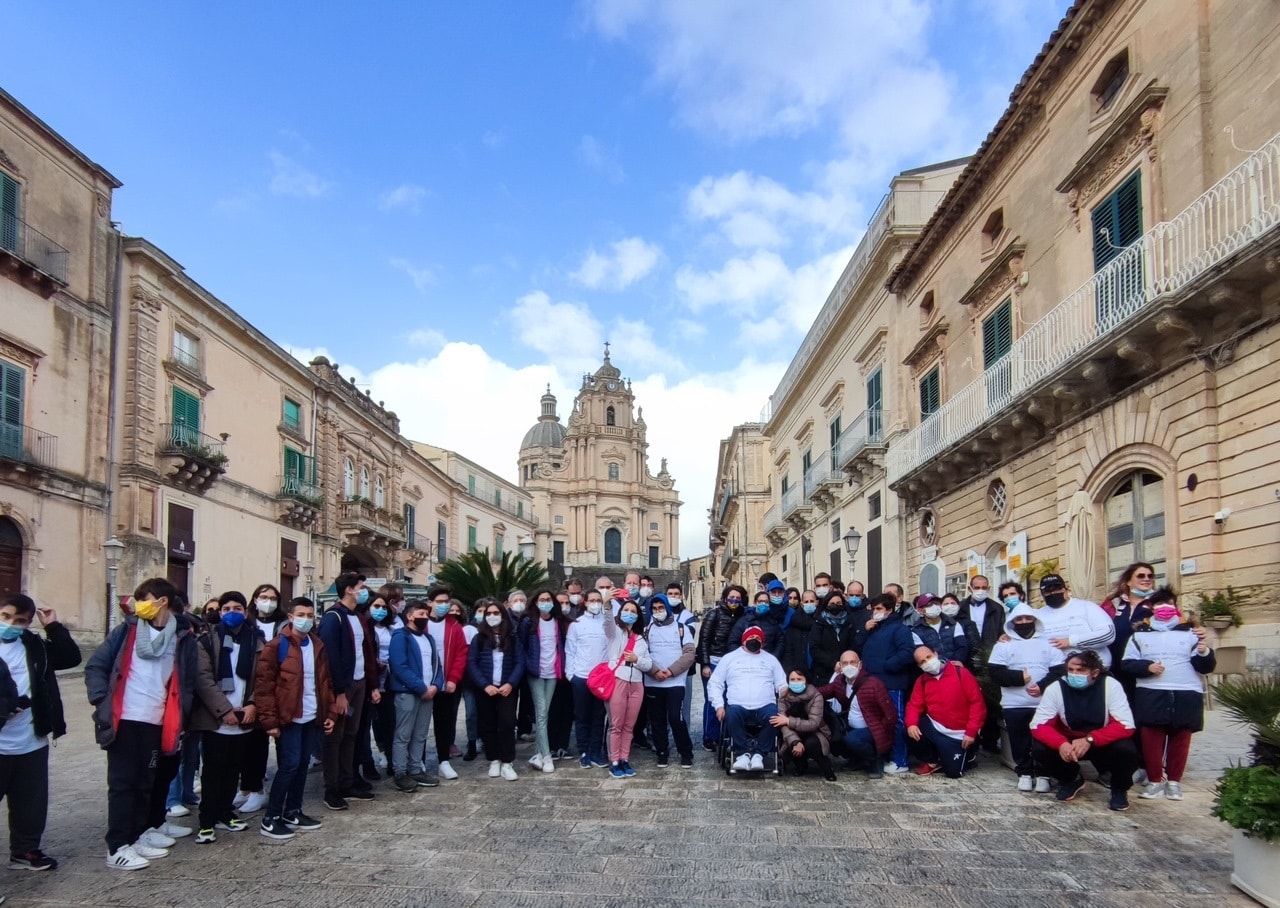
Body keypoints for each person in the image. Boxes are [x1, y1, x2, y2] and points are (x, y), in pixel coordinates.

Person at [85, 578, 200, 871]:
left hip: (158, 720)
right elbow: (96, 666)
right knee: (123, 784)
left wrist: (182, 715)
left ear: (162, 602)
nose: (139, 605)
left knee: (145, 782)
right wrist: (102, 700)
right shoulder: (127, 632)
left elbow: (184, 681)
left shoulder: (181, 637)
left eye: (144, 599)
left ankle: (137, 836)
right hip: (125, 718)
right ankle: (117, 846)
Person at [0, 593, 81, 871]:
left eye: (20, 620)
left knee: (30, 803)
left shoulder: (32, 644)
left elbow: (70, 658)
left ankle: (24, 851)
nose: (11, 624)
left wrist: (53, 627)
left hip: (29, 738)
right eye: (5, 617)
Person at [255, 597, 338, 840]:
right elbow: (264, 687)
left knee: (302, 766)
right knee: (289, 766)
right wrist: (269, 722)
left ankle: (293, 810)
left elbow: (325, 682)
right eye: (301, 614)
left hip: (311, 715)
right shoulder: (276, 646)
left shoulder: (317, 645)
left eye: (310, 615)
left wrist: (330, 712)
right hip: (288, 717)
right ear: (290, 617)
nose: (306, 619)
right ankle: (271, 818)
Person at [1121, 588, 1214, 802]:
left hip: (1186, 692)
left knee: (1181, 738)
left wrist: (1203, 650)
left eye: (1169, 604)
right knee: (1151, 738)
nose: (1164, 608)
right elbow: (1127, 663)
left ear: (1176, 607)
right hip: (1152, 692)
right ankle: (1154, 780)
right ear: (1151, 607)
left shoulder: (1191, 634)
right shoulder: (1139, 635)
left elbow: (1205, 667)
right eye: (1159, 604)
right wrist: (1147, 667)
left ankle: (1174, 782)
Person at [190, 591, 263, 843]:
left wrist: (253, 704)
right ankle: (207, 819)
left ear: (245, 611)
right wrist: (224, 711)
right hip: (216, 718)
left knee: (234, 769)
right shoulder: (206, 642)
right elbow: (203, 679)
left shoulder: (256, 640)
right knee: (213, 771)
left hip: (245, 716)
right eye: (227, 608)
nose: (233, 612)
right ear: (219, 612)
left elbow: (262, 677)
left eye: (238, 608)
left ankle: (225, 812)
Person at [1031, 650, 1138, 811]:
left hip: (1100, 740)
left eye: (1081, 671)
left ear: (1095, 673)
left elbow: (1126, 725)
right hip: (1070, 743)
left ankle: (1119, 789)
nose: (1074, 674)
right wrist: (1060, 743)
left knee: (1126, 750)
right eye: (1071, 670)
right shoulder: (1056, 688)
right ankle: (1071, 778)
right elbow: (1038, 725)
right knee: (1039, 748)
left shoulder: (1111, 685)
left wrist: (1091, 739)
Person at [317, 571, 381, 811]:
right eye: (361, 587)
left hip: (359, 682)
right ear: (349, 590)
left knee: (351, 736)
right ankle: (331, 789)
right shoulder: (334, 617)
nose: (364, 591)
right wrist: (339, 693)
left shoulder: (358, 617)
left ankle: (347, 781)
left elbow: (366, 652)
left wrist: (371, 685)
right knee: (334, 738)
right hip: (343, 687)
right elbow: (331, 657)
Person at [986, 604, 1065, 792]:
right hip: (1014, 703)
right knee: (1019, 740)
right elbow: (995, 673)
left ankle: (1044, 774)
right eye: (1019, 620)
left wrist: (1041, 686)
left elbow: (1059, 671)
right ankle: (1024, 773)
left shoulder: (1048, 644)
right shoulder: (1003, 645)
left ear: (1035, 621)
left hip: (1044, 703)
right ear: (1012, 622)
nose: (1023, 623)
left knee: (1043, 741)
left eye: (1027, 619)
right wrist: (1018, 678)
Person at [708, 627, 787, 773]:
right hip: (738, 704)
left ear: (763, 643)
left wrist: (785, 692)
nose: (754, 641)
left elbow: (782, 684)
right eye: (751, 638)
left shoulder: (771, 660)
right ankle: (742, 753)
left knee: (775, 717)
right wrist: (719, 706)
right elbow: (715, 683)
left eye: (758, 639)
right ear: (743, 640)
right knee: (731, 715)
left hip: (765, 704)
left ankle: (759, 754)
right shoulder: (729, 658)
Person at [905, 645, 986, 778]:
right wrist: (911, 724)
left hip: (959, 733)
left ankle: (968, 754)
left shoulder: (961, 673)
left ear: (935, 654)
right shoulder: (922, 681)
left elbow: (977, 703)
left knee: (953, 773)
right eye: (922, 662)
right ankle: (933, 760)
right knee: (908, 729)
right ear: (919, 666)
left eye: (928, 657)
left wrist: (971, 732)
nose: (927, 662)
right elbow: (914, 705)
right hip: (936, 726)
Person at [388, 601, 444, 792]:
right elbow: (399, 666)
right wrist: (421, 687)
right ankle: (400, 772)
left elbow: (437, 665)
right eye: (421, 613)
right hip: (408, 693)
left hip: (428, 693)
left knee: (420, 734)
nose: (425, 617)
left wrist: (436, 685)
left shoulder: (428, 638)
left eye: (427, 614)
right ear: (410, 616)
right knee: (403, 734)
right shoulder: (400, 637)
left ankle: (415, 769)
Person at [858, 594, 917, 774]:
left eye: (878, 609)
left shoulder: (900, 629)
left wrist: (887, 665)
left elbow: (907, 652)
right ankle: (885, 756)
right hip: (873, 683)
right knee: (879, 721)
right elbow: (859, 648)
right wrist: (864, 631)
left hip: (892, 682)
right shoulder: (874, 629)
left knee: (897, 721)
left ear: (889, 610)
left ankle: (901, 760)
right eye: (873, 609)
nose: (875, 613)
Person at [467, 601, 526, 781]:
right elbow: (472, 663)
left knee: (507, 723)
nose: (492, 616)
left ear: (503, 615)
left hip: (507, 688)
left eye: (496, 612)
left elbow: (520, 662)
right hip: (486, 689)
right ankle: (493, 759)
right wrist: (485, 685)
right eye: (489, 613)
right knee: (488, 724)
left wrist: (511, 683)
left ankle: (507, 762)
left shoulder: (513, 638)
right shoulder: (479, 639)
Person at [816, 651, 897, 779]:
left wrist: (881, 731)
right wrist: (800, 692)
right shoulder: (840, 681)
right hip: (850, 726)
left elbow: (890, 714)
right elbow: (822, 692)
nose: (849, 666)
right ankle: (857, 759)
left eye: (853, 662)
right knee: (835, 737)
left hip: (872, 729)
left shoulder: (873, 684)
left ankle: (874, 760)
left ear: (860, 665)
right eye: (845, 663)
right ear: (840, 667)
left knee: (852, 740)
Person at [642, 595, 696, 769]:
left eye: (661, 607)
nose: (658, 611)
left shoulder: (681, 628)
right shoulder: (647, 629)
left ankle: (685, 751)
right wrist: (654, 671)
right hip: (653, 682)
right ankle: (662, 752)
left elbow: (689, 654)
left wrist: (671, 671)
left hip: (675, 682)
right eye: (655, 609)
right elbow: (642, 654)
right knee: (657, 719)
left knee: (675, 717)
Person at [423, 585, 468, 782]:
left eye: (446, 602)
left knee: (444, 724)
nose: (443, 605)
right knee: (420, 725)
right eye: (439, 602)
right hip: (423, 683)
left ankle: (443, 761)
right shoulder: (421, 622)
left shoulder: (454, 627)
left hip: (446, 682)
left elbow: (460, 655)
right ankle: (419, 761)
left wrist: (453, 679)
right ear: (430, 603)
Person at [605, 600, 652, 778]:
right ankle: (614, 760)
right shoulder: (615, 633)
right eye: (626, 610)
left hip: (637, 683)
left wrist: (636, 659)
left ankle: (625, 758)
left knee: (629, 725)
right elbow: (607, 623)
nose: (629, 613)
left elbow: (648, 664)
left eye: (633, 611)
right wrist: (607, 605)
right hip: (619, 680)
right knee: (616, 724)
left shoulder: (641, 638)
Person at [566, 587, 612, 769]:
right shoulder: (576, 624)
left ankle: (596, 751)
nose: (595, 604)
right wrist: (571, 675)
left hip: (601, 679)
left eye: (598, 600)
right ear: (585, 602)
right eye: (592, 600)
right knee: (582, 716)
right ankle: (584, 751)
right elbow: (570, 650)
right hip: (581, 677)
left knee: (599, 716)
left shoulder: (607, 624)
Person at [695, 586, 745, 750]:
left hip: (733, 664)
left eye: (738, 598)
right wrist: (705, 664)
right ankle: (710, 737)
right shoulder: (714, 614)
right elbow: (703, 640)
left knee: (730, 700)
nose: (734, 601)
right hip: (714, 662)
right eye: (731, 597)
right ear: (725, 598)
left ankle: (726, 735)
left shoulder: (743, 615)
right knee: (713, 700)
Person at [524, 588, 566, 774]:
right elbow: (521, 646)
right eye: (542, 599)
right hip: (536, 673)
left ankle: (538, 755)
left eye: (548, 599)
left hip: (553, 672)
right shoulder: (529, 622)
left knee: (545, 713)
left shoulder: (558, 622)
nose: (545, 602)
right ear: (535, 602)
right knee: (541, 713)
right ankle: (547, 756)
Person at [1035, 573, 1116, 667]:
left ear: (1065, 589)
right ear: (1042, 594)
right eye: (1047, 591)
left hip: (1093, 669)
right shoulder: (1037, 615)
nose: (1053, 593)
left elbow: (1108, 634)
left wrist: (1070, 641)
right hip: (1056, 673)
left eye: (1057, 589)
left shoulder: (1086, 607)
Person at [771, 669, 836, 782]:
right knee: (791, 742)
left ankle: (826, 767)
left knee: (811, 744)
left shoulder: (816, 696)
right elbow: (782, 723)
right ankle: (801, 765)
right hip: (793, 732)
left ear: (806, 680)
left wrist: (789, 721)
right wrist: (795, 741)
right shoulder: (783, 696)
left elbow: (814, 723)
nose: (796, 682)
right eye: (792, 679)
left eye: (799, 679)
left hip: (815, 732)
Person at [368, 592, 403, 775]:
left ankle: (392, 761)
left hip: (389, 683)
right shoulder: (365, 628)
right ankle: (369, 764)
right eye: (376, 606)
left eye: (383, 607)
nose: (380, 610)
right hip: (370, 683)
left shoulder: (392, 629)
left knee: (390, 723)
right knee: (369, 724)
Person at [664, 582, 699, 732]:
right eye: (670, 594)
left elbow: (685, 639)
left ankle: (684, 733)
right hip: (662, 665)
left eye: (676, 594)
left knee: (685, 703)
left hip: (685, 668)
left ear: (681, 596)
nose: (673, 597)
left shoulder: (688, 616)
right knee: (663, 704)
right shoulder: (658, 614)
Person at [452, 600, 481, 761]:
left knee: (471, 712)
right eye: (452, 610)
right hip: (452, 678)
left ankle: (472, 742)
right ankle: (449, 743)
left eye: (457, 611)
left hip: (468, 678)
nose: (454, 613)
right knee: (451, 713)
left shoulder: (469, 630)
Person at [808, 589, 858, 678]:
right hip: (823, 672)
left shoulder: (849, 622)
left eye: (838, 603)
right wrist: (833, 663)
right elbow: (815, 648)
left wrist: (845, 662)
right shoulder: (819, 623)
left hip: (846, 671)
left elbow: (853, 645)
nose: (835, 606)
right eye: (832, 603)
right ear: (826, 605)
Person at [909, 595, 970, 666]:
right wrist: (942, 664)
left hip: (956, 666)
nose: (934, 606)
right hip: (933, 668)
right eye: (930, 605)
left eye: (936, 603)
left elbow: (961, 646)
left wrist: (957, 661)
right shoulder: (916, 630)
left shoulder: (953, 624)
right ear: (921, 610)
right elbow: (922, 653)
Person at [728, 583, 786, 656]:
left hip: (766, 662)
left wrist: (773, 657)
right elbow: (732, 642)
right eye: (760, 601)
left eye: (766, 602)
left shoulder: (773, 622)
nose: (763, 604)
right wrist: (742, 657)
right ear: (755, 603)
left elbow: (780, 642)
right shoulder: (744, 621)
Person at [778, 587, 816, 677]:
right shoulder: (794, 622)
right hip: (797, 673)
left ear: (817, 602)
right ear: (802, 604)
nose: (809, 604)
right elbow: (788, 652)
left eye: (812, 601)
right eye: (806, 602)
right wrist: (790, 672)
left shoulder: (822, 623)